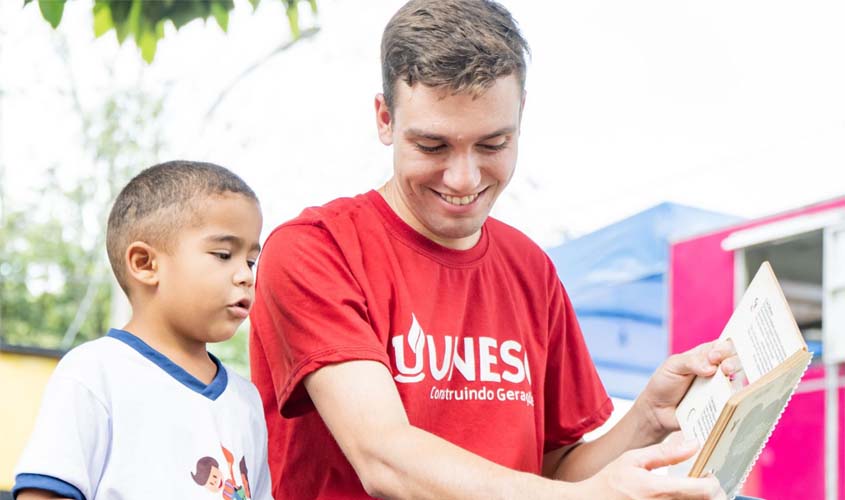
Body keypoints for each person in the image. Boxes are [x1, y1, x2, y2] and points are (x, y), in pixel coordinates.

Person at [249, 1, 738, 498]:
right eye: (432, 146)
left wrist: (646, 417)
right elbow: (384, 458)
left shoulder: (530, 269)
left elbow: (551, 474)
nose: (464, 178)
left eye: (493, 144)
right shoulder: (315, 249)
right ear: (384, 119)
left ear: (521, 114)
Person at [13, 161, 272, 499]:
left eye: (251, 261)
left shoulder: (246, 400)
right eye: (224, 254)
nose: (246, 276)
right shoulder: (93, 373)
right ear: (145, 264)